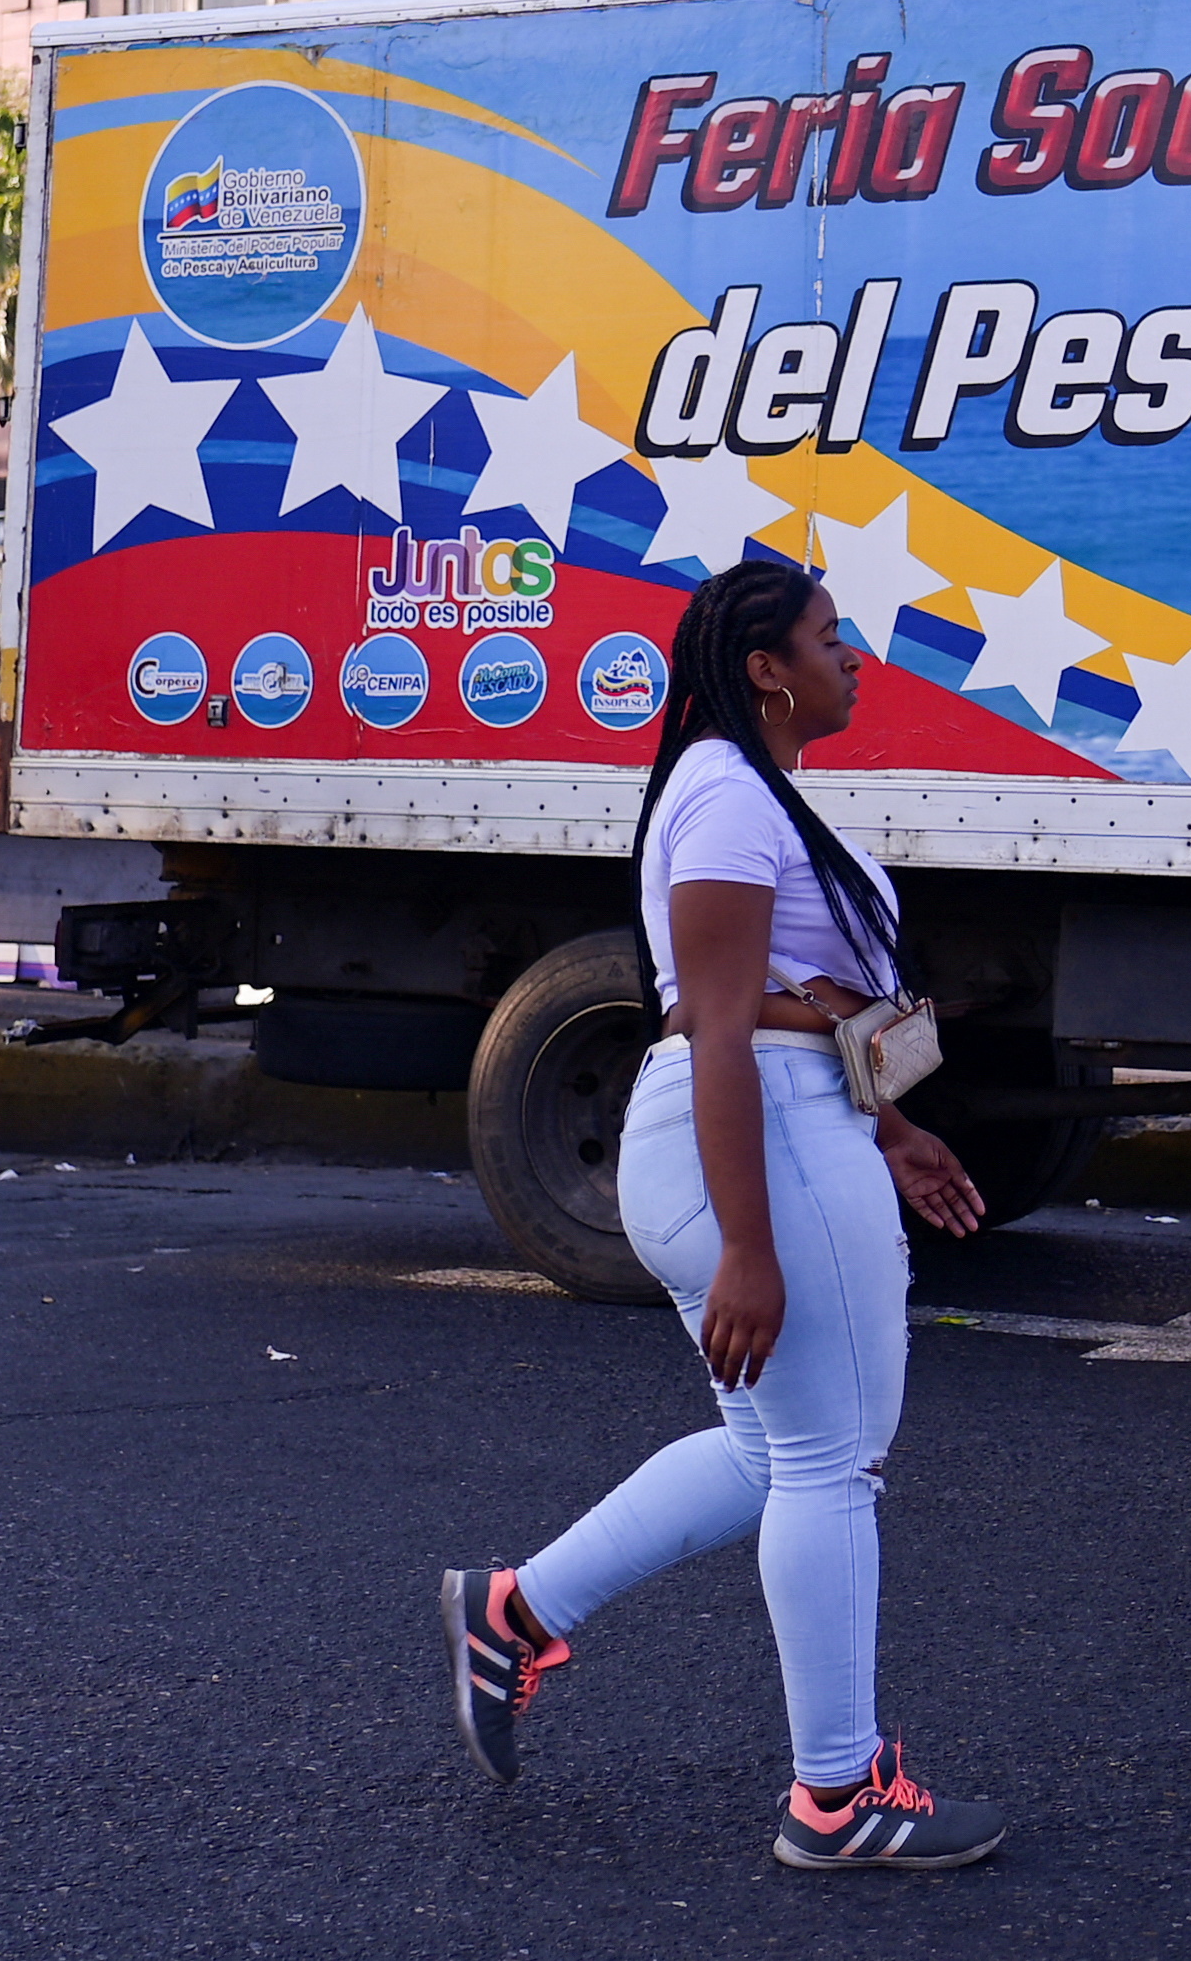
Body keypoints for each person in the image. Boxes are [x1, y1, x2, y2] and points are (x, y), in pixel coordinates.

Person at [436, 559, 1005, 1872]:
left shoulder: (755, 798)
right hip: (755, 1142)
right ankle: (836, 1795)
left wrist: (897, 1127)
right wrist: (750, 1241)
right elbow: (724, 1025)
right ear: (765, 667)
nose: (852, 654)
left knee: (772, 1451)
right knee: (832, 1462)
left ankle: (516, 1613)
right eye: (828, 634)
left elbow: (804, 1012)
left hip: (790, 1130)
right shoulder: (722, 792)